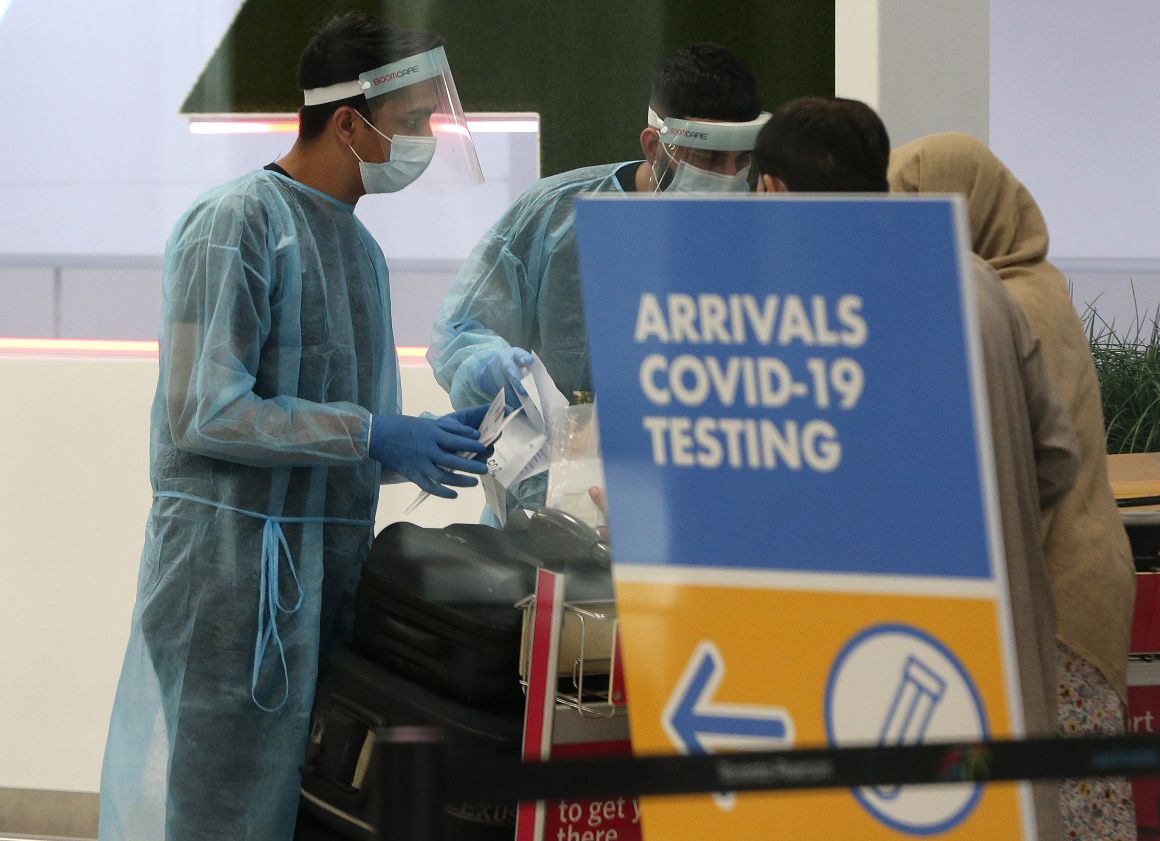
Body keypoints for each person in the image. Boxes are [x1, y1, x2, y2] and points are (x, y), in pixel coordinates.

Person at [97, 14, 491, 841]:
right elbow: (204, 411)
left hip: (323, 588)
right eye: (414, 120)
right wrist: (374, 435)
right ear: (348, 121)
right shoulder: (233, 225)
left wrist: (416, 440)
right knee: (218, 813)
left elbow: (339, 433)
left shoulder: (358, 253)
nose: (423, 140)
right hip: (227, 586)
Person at [754, 97, 1080, 841]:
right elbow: (1057, 460)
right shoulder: (978, 281)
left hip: (875, 673)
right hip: (993, 652)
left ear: (771, 191)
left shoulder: (808, 306)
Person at [889, 131, 1137, 841]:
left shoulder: (1007, 301)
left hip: (1059, 591)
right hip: (1063, 574)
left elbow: (1033, 463)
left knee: (1066, 802)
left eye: (916, 208)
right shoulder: (1027, 284)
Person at [429, 42, 769, 521]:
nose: (729, 177)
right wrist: (490, 365)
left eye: (741, 161)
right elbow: (460, 330)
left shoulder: (763, 237)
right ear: (655, 146)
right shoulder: (557, 214)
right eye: (708, 161)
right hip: (548, 521)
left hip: (696, 517)